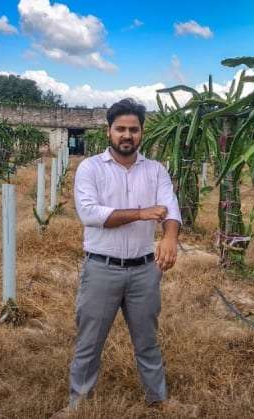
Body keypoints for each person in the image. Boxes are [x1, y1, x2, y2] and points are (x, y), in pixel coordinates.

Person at [53, 98, 197, 417]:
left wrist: (170, 236)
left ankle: (158, 398)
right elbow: (90, 214)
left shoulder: (155, 170)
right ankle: (79, 402)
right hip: (102, 268)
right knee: (90, 341)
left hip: (145, 270)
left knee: (147, 339)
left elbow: (170, 208)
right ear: (109, 131)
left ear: (142, 133)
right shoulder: (90, 168)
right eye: (120, 129)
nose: (127, 135)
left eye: (133, 129)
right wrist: (141, 213)